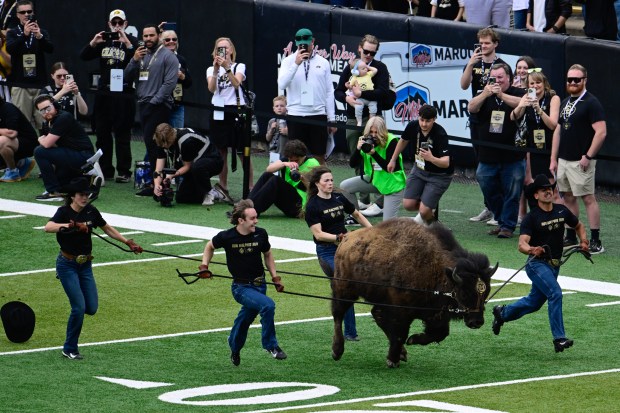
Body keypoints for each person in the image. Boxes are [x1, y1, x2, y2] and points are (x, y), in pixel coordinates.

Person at [44, 177, 143, 360]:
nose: (85, 197)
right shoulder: (63, 212)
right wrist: (70, 225)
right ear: (72, 196)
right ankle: (70, 348)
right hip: (67, 265)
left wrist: (127, 242)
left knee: (91, 308)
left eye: (87, 194)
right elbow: (48, 227)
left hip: (85, 265)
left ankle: (70, 344)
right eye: (81, 194)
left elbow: (107, 229)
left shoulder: (91, 211)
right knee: (78, 307)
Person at [491, 174, 588, 353]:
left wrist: (583, 241)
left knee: (534, 303)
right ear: (536, 195)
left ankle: (502, 313)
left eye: (549, 189)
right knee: (555, 293)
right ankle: (559, 339)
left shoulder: (561, 211)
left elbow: (579, 226)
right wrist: (531, 249)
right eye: (543, 190)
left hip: (555, 265)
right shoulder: (531, 218)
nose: (547, 191)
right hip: (537, 265)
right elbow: (521, 244)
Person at [200, 199, 286, 366]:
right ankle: (271, 346)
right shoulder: (226, 237)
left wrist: (275, 278)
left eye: (256, 217)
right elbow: (209, 246)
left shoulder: (261, 234)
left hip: (260, 286)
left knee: (245, 319)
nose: (256, 221)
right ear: (241, 220)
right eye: (252, 218)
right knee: (268, 306)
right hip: (241, 288)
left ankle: (234, 347)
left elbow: (267, 254)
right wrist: (204, 266)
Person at [305, 166, 372, 341]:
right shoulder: (312, 206)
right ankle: (348, 332)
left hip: (346, 248)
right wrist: (338, 237)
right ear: (317, 184)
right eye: (326, 180)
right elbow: (318, 234)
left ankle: (350, 331)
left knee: (348, 287)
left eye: (331, 180)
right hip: (326, 252)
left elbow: (357, 214)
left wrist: (373, 231)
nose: (330, 183)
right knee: (345, 285)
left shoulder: (338, 198)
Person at [550, 64, 606, 254]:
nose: (572, 82)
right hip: (564, 160)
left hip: (581, 161)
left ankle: (596, 240)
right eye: (570, 79)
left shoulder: (592, 102)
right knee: (568, 198)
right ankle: (571, 236)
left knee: (588, 198)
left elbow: (601, 132)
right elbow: (557, 131)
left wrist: (588, 156)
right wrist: (553, 158)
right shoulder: (566, 102)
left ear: (584, 81)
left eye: (577, 79)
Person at [334, 34, 393, 215]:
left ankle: (380, 202)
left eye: (372, 53)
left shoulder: (380, 68)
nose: (368, 55)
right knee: (357, 157)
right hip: (354, 117)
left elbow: (383, 92)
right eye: (366, 51)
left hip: (374, 119)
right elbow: (338, 91)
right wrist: (348, 99)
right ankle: (364, 199)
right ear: (360, 48)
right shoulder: (352, 66)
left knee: (378, 156)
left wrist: (360, 94)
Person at [80, 9, 138, 184]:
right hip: (104, 92)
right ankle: (105, 169)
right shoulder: (102, 41)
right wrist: (93, 42)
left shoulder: (132, 41)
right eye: (115, 23)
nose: (118, 26)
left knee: (122, 133)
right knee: (102, 133)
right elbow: (83, 56)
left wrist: (127, 43)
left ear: (126, 24)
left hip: (124, 93)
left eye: (121, 23)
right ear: (109, 24)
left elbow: (138, 59)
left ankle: (124, 171)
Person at [467, 62, 525, 239]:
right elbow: (472, 107)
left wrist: (501, 95)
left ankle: (507, 226)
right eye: (494, 78)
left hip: (512, 154)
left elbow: (521, 104)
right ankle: (501, 219)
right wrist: (486, 93)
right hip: (488, 154)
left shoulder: (518, 92)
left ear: (509, 77)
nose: (497, 81)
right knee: (486, 184)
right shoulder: (484, 93)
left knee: (512, 192)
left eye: (500, 77)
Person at [124, 24, 178, 196]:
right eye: (145, 36)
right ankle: (156, 183)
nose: (148, 39)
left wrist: (154, 103)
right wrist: (133, 59)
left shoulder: (168, 57)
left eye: (151, 35)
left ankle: (158, 184)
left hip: (158, 105)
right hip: (143, 103)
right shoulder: (140, 55)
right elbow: (126, 77)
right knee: (150, 144)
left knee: (156, 144)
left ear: (159, 36)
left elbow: (169, 84)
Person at [460, 27, 507, 224]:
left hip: (495, 117)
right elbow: (463, 85)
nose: (483, 46)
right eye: (481, 43)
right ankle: (489, 206)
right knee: (482, 164)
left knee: (496, 164)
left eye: (487, 43)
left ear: (495, 44)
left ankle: (500, 209)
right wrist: (470, 64)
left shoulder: (502, 65)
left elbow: (507, 88)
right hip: (477, 118)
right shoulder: (474, 63)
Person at [277, 28, 337, 165]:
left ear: (313, 42)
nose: (303, 47)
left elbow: (329, 91)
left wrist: (332, 118)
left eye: (306, 43)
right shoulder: (288, 61)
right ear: (296, 43)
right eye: (300, 44)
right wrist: (296, 64)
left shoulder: (323, 62)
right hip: (296, 114)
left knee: (319, 156)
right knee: (295, 157)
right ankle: (296, 184)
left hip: (318, 114)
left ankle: (319, 185)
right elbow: (282, 84)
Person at [388, 104, 453, 225]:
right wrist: (393, 159)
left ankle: (435, 227)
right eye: (421, 120)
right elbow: (402, 141)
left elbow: (446, 163)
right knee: (408, 205)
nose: (424, 124)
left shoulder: (440, 134)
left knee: (424, 211)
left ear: (434, 119)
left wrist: (431, 158)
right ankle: (428, 211)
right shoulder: (413, 126)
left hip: (439, 175)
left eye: (428, 121)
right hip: (419, 169)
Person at [206, 36, 254, 194]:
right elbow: (212, 89)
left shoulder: (239, 66)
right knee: (221, 152)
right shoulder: (210, 69)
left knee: (242, 151)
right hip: (218, 111)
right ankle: (223, 186)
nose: (224, 51)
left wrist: (227, 67)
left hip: (235, 110)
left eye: (226, 48)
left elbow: (237, 84)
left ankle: (250, 187)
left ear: (232, 50)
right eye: (220, 48)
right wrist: (215, 69)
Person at [340, 116, 406, 222]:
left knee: (388, 226)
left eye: (377, 132)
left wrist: (374, 154)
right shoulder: (366, 140)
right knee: (345, 186)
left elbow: (389, 168)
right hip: (375, 180)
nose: (374, 135)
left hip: (392, 185)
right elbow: (353, 164)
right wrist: (357, 149)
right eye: (371, 132)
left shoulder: (392, 141)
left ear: (383, 131)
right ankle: (356, 217)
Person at [33, 95, 96, 201]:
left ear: (55, 105)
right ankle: (89, 184)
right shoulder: (49, 122)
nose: (46, 112)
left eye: (48, 108)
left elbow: (47, 144)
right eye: (42, 110)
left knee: (39, 151)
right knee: (63, 185)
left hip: (83, 155)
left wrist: (40, 139)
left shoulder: (63, 117)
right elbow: (53, 145)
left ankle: (52, 191)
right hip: (71, 154)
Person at [511, 69, 560, 200]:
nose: (535, 86)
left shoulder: (553, 98)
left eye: (538, 82)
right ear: (528, 86)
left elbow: (553, 125)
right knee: (535, 186)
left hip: (549, 148)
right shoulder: (526, 98)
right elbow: (512, 117)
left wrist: (539, 110)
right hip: (533, 148)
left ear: (544, 84)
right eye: (532, 83)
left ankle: (556, 217)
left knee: (551, 188)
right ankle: (536, 217)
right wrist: (521, 105)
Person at [6, 0, 53, 130]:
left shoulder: (41, 32)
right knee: (22, 124)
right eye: (23, 12)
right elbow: (10, 49)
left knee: (44, 123)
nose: (26, 14)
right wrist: (24, 35)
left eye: (29, 11)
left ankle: (43, 149)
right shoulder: (13, 33)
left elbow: (50, 49)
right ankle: (24, 150)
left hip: (39, 84)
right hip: (21, 85)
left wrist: (39, 37)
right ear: (17, 15)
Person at [152, 123, 225, 206]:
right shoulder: (161, 142)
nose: (165, 146)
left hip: (214, 160)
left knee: (197, 167)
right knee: (181, 198)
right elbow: (158, 170)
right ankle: (210, 192)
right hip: (195, 166)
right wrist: (157, 185)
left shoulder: (186, 140)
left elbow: (187, 166)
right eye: (162, 145)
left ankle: (210, 192)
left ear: (172, 137)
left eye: (167, 143)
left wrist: (172, 175)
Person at [248, 140, 319, 218]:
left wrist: (302, 178)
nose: (294, 162)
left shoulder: (313, 163)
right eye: (292, 160)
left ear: (303, 156)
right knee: (267, 175)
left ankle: (252, 211)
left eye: (297, 160)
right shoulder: (287, 160)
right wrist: (284, 163)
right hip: (289, 200)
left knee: (276, 181)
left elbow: (317, 190)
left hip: (300, 206)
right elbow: (268, 169)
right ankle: (246, 206)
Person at [0, 95, 37, 182]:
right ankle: (22, 162)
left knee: (1, 141)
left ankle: (13, 172)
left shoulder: (8, 108)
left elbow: (12, 133)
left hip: (28, 143)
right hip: (13, 143)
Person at [161, 29, 192, 128]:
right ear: (162, 42)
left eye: (174, 39)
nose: (171, 41)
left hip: (177, 105)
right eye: (167, 39)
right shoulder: (157, 58)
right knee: (160, 137)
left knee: (177, 137)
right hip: (160, 105)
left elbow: (189, 83)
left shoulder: (181, 59)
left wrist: (182, 77)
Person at [346, 58, 378, 127]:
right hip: (360, 98)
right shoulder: (354, 78)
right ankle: (359, 121)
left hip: (371, 97)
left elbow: (375, 70)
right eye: (363, 69)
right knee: (358, 107)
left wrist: (368, 67)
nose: (366, 69)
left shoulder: (368, 74)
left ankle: (371, 121)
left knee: (374, 108)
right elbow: (350, 86)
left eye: (366, 67)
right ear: (356, 72)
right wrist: (348, 86)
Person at [265, 95, 288, 160]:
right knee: (274, 169)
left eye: (282, 106)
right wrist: (271, 129)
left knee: (287, 169)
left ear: (286, 107)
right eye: (277, 106)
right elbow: (267, 138)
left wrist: (287, 132)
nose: (279, 108)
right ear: (273, 109)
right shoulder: (271, 121)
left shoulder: (290, 121)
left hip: (287, 153)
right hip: (274, 152)